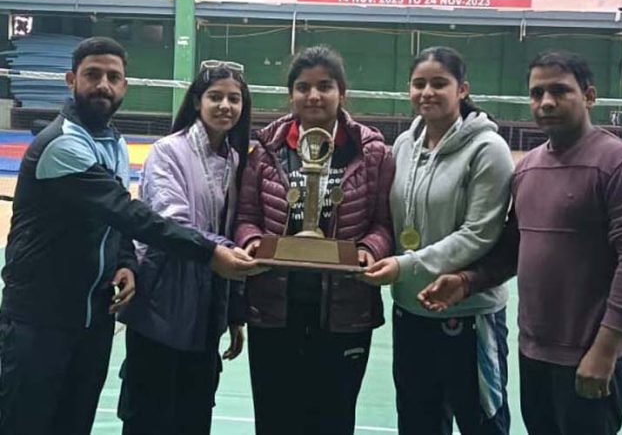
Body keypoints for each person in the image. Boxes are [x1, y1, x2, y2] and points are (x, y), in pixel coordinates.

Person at [0, 37, 256, 435]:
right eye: (93, 75)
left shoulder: (114, 142)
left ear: (125, 86)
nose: (103, 84)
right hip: (40, 319)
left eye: (113, 77)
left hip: (94, 319)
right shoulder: (61, 145)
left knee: (73, 424)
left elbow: (115, 222)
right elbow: (129, 213)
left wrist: (124, 262)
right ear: (71, 80)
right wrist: (209, 253)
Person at [418, 51, 622, 435]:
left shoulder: (621, 165)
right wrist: (466, 281)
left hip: (590, 358)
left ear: (590, 96)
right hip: (533, 355)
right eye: (537, 93)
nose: (546, 102)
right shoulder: (528, 168)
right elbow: (512, 251)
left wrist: (605, 350)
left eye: (560, 91)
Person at [234, 45, 394, 435]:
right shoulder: (265, 150)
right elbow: (246, 217)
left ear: (343, 92)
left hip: (344, 311)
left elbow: (383, 225)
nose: (314, 96)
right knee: (274, 419)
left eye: (325, 86)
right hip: (274, 308)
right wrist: (253, 242)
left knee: (334, 419)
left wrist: (366, 251)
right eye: (303, 87)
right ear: (291, 95)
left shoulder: (373, 153)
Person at [363, 46, 514, 434]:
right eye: (419, 84)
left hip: (468, 316)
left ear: (462, 89)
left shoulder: (488, 150)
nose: (427, 92)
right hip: (410, 312)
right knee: (417, 423)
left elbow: (479, 233)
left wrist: (405, 265)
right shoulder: (403, 146)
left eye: (439, 83)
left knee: (482, 424)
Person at [116, 63, 252, 434]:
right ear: (197, 102)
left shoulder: (237, 162)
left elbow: (237, 230)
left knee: (194, 418)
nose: (225, 105)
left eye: (234, 98)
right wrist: (222, 253)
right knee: (149, 418)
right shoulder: (167, 151)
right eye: (215, 96)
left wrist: (235, 310)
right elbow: (171, 221)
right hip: (161, 311)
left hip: (207, 316)